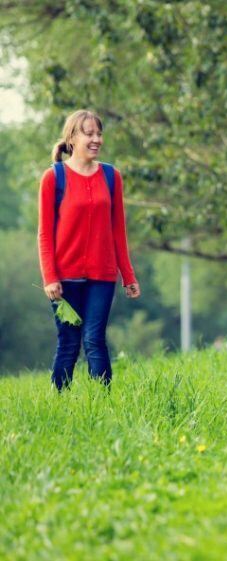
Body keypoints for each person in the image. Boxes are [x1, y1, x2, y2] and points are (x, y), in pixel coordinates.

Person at [38, 109, 140, 391]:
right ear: (72, 137)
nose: (96, 139)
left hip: (102, 276)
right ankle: (60, 404)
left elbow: (118, 230)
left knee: (94, 339)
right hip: (64, 277)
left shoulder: (111, 176)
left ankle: (102, 404)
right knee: (69, 342)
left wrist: (128, 276)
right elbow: (45, 233)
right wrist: (49, 277)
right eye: (89, 133)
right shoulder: (53, 178)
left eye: (99, 133)